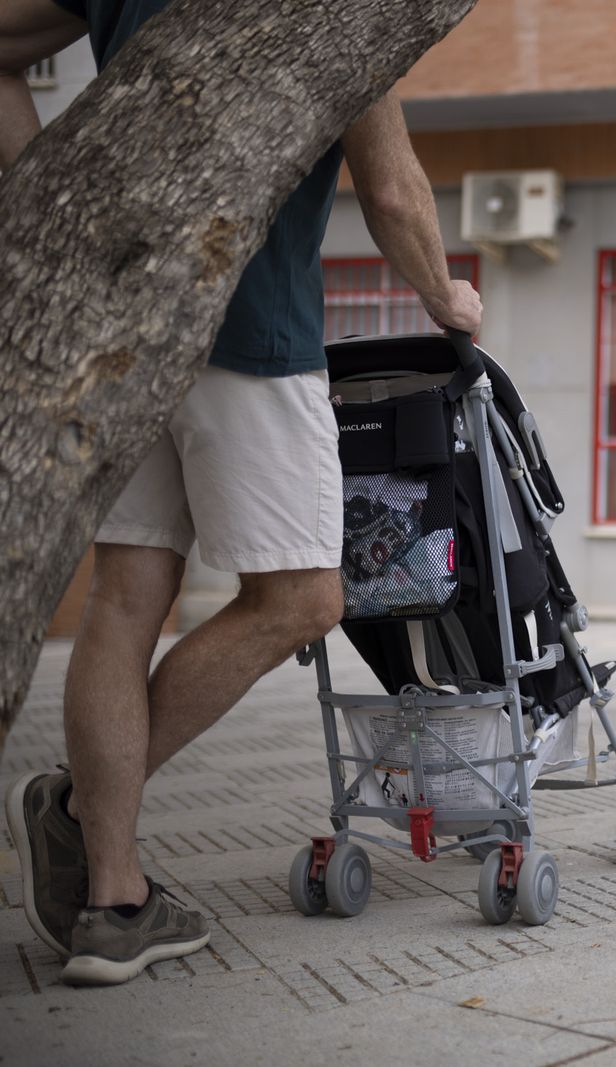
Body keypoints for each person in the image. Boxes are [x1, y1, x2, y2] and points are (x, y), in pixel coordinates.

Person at [2, 0, 482, 987]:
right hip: (252, 334)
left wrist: (37, 200)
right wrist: (448, 298)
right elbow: (391, 190)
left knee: (126, 598)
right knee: (302, 599)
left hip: (126, 327)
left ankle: (113, 900)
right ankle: (87, 809)